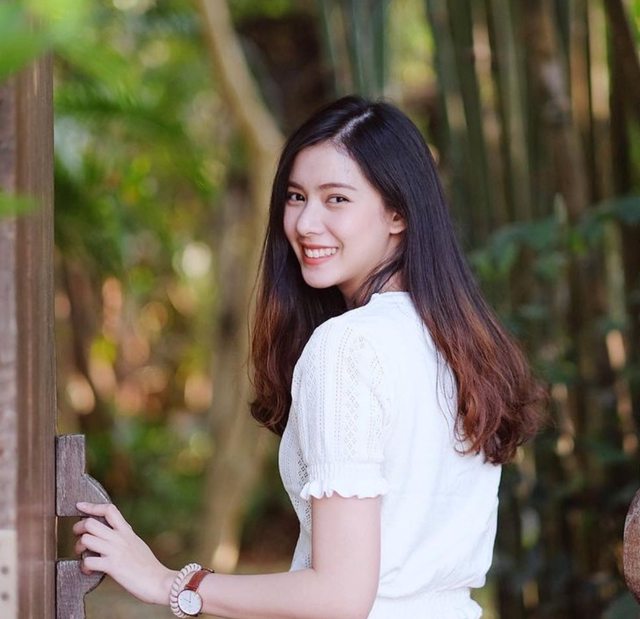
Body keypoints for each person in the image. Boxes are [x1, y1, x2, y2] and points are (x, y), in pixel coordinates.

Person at [74, 95, 546, 618]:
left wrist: (172, 582)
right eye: (296, 197)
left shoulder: (348, 347)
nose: (305, 223)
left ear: (398, 213)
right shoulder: (464, 344)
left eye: (336, 199)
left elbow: (339, 598)